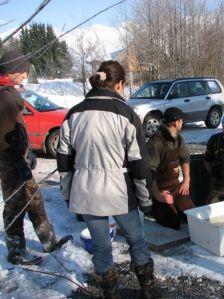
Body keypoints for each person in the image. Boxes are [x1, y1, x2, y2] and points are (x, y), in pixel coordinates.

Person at [57, 61, 156, 299]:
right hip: (119, 191)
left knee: (101, 248)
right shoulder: (127, 114)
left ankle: (110, 294)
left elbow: (64, 161)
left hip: (86, 191)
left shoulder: (74, 113)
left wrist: (69, 195)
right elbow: (139, 164)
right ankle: (148, 290)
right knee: (137, 241)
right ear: (120, 84)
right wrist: (146, 200)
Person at [0, 50, 72, 266]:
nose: (25, 75)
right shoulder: (1, 96)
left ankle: (49, 240)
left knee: (35, 200)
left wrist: (28, 150)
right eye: (22, 71)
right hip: (9, 162)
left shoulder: (8, 89)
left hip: (19, 159)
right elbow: (3, 137)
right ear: (12, 70)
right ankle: (17, 252)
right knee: (15, 206)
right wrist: (17, 161)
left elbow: (18, 126)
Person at [147, 107, 195, 230]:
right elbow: (149, 172)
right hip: (160, 190)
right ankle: (153, 208)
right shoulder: (156, 143)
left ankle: (176, 206)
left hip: (176, 187)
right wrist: (158, 195)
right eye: (181, 120)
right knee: (174, 223)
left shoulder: (178, 138)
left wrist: (186, 180)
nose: (182, 123)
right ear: (175, 123)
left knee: (194, 217)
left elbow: (185, 159)